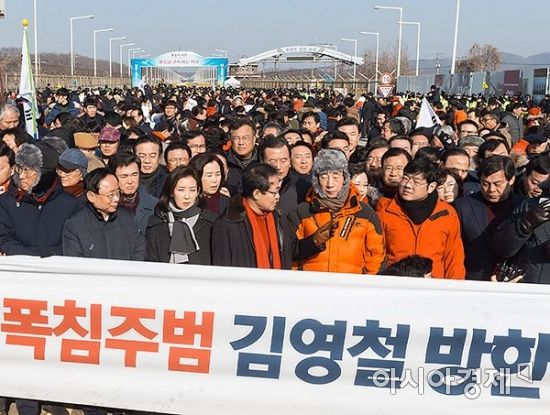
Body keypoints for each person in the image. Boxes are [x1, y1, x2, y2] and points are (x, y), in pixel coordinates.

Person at [288, 149, 385, 274]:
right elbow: (291, 256)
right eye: (324, 176)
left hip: (351, 287)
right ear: (316, 179)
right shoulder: (302, 212)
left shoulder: (364, 212)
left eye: (335, 176)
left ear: (344, 177)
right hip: (311, 286)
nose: (330, 184)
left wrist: (366, 285)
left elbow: (376, 255)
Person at [212, 163, 319, 268]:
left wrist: (316, 241)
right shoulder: (227, 225)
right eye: (273, 193)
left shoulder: (279, 219)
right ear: (256, 194)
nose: (277, 197)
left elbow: (290, 250)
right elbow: (221, 270)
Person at [377, 157, 466, 279]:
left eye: (416, 182)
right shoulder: (385, 211)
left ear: (431, 187)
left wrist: (455, 290)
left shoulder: (447, 214)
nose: (408, 185)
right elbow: (376, 255)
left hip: (434, 287)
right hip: (396, 284)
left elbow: (454, 258)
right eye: (405, 178)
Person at [0, 141, 80, 256]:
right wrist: (34, 258)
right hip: (20, 268)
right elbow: (3, 239)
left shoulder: (71, 204)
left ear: (44, 172)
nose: (21, 176)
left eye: (27, 171)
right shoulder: (7, 201)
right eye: (20, 169)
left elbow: (73, 242)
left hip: (58, 268)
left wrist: (48, 258)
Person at [454, 155, 524, 280]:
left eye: (498, 184)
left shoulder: (524, 206)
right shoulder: (463, 206)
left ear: (512, 179)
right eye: (485, 183)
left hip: (512, 281)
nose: (491, 190)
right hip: (472, 279)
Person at [62, 168, 146, 260]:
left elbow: (139, 248)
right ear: (91, 196)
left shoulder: (126, 217)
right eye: (110, 195)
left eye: (117, 193)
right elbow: (74, 261)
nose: (116, 199)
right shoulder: (75, 225)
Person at [146, 167, 215, 264]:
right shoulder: (156, 223)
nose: (187, 196)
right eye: (181, 190)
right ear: (171, 192)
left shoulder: (211, 223)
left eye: (192, 190)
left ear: (198, 191)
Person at [109, 151, 158, 236]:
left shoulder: (155, 205)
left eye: (134, 175)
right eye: (124, 176)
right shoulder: (103, 205)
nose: (130, 181)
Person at [225, 118, 258, 195]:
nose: (241, 142)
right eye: (236, 138)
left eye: (245, 138)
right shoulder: (223, 162)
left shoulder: (262, 159)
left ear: (254, 139)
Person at [189, 152, 229, 217]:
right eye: (209, 175)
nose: (215, 180)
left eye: (218, 174)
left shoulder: (227, 202)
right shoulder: (187, 201)